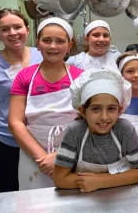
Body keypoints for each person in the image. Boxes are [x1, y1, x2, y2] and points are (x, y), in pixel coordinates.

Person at [9, 17, 83, 190]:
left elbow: (87, 120)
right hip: (33, 154)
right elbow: (15, 122)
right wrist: (43, 158)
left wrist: (60, 155)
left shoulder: (81, 77)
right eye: (47, 40)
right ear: (38, 43)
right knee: (34, 209)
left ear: (69, 45)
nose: (53, 46)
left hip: (74, 150)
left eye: (60, 41)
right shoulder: (24, 77)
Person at [0, 8, 42, 192]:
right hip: (6, 142)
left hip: (40, 139)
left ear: (27, 29)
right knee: (9, 195)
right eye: (5, 29)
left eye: (17, 27)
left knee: (42, 195)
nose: (13, 33)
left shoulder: (42, 56)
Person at [53, 68, 138, 192]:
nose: (104, 117)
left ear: (120, 110)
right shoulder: (75, 131)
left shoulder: (124, 130)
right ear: (82, 111)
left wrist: (101, 181)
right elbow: (60, 179)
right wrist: (119, 179)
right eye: (96, 109)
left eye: (111, 109)